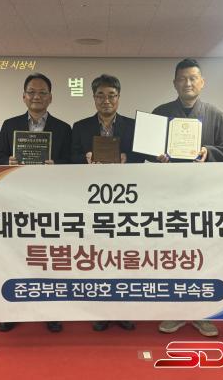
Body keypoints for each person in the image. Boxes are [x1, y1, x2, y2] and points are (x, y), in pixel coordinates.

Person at [154, 58, 223, 337]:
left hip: (205, 199)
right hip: (169, 199)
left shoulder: (216, 115)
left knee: (203, 257)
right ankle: (175, 312)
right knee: (173, 256)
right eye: (182, 79)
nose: (187, 83)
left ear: (202, 82)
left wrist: (208, 152)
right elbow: (145, 152)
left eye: (193, 78)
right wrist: (157, 156)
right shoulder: (161, 113)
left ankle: (203, 314)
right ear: (174, 83)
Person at [0, 72, 72, 333]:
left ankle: (51, 311)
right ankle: (12, 310)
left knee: (49, 256)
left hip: (50, 202)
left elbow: (72, 162)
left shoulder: (63, 128)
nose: (36, 96)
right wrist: (7, 162)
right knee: (16, 255)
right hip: (16, 202)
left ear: (50, 97)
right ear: (23, 96)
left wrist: (56, 165)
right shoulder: (9, 125)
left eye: (42, 92)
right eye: (31, 92)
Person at [71, 73, 143, 331]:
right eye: (100, 95)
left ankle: (123, 308)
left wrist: (127, 159)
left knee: (123, 256)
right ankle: (101, 309)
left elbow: (141, 158)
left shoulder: (133, 126)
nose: (106, 100)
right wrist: (85, 160)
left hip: (126, 203)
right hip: (93, 203)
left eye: (111, 95)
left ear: (119, 97)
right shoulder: (80, 127)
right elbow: (70, 158)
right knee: (99, 255)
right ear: (93, 98)